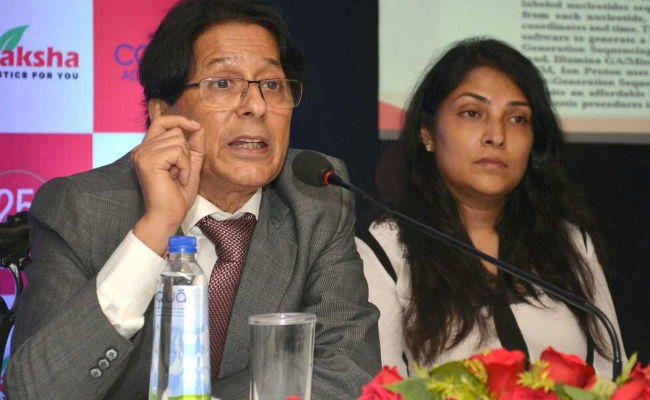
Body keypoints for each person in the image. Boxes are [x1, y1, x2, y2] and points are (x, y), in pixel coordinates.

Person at [6, 1, 380, 399]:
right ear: (163, 113)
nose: (256, 106)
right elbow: (36, 391)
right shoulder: (83, 209)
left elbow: (349, 369)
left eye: (272, 85)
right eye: (223, 84)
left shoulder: (315, 197)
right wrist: (153, 231)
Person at [356, 37, 625, 379]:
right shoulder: (385, 249)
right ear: (428, 133)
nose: (496, 136)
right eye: (472, 113)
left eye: (517, 119)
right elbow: (381, 389)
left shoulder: (569, 241)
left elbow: (610, 376)